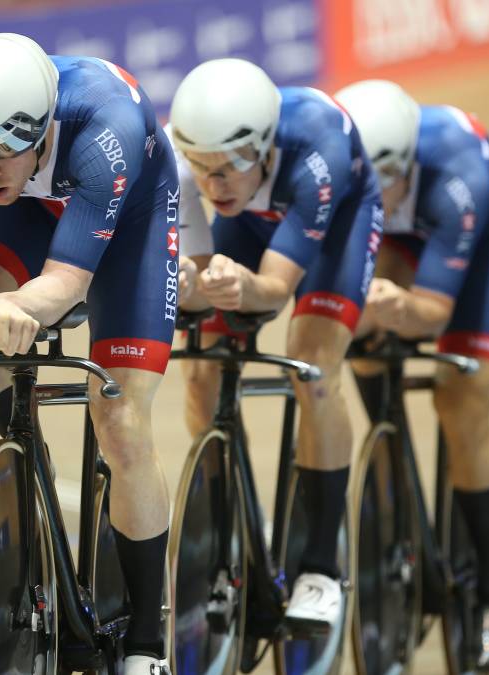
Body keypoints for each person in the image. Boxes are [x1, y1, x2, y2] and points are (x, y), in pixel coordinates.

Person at [0, 33, 177, 674]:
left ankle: (145, 642)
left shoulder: (104, 124)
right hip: (31, 211)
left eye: (4, 150)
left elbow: (66, 285)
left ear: (42, 127)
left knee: (120, 420)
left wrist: (23, 306)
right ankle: (32, 466)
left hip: (129, 216)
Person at [169, 58, 384, 631]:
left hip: (337, 224)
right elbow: (190, 274)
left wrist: (241, 287)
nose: (214, 186)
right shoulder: (181, 157)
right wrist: (193, 283)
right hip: (250, 224)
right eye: (202, 171)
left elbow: (271, 292)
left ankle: (320, 566)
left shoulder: (319, 149)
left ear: (264, 146)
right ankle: (237, 527)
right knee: (200, 371)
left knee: (312, 369)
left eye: (229, 170)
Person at [334, 80, 489, 670]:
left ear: (403, 165)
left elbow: (433, 314)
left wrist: (395, 305)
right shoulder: (350, 168)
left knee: (462, 408)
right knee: (362, 331)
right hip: (399, 232)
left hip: (481, 243)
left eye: (379, 183)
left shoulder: (458, 173)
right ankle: (391, 452)